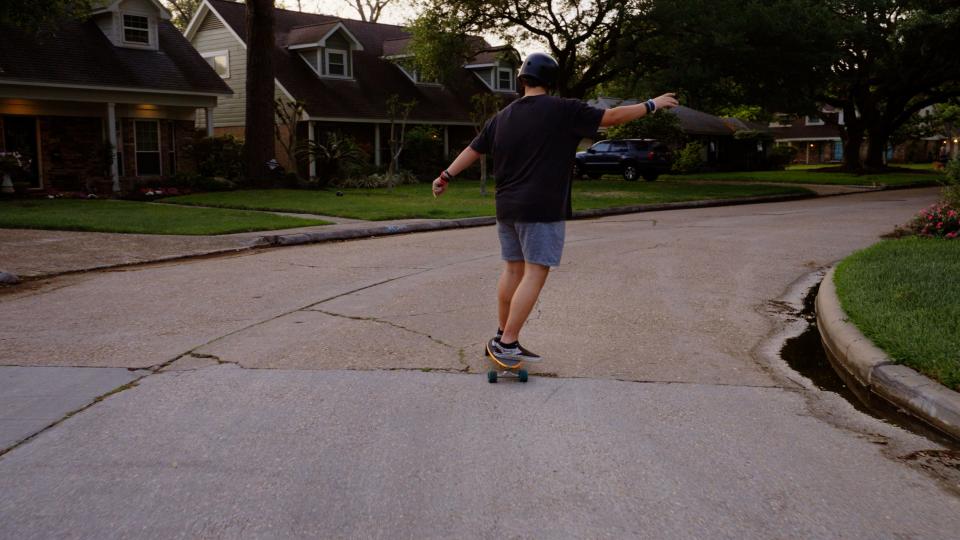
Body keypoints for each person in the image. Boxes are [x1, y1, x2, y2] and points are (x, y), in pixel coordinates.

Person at [432, 52, 679, 364]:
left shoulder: (502, 117)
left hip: (506, 206)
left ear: (522, 80)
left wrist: (445, 176)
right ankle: (508, 342)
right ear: (551, 82)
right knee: (536, 270)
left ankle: (501, 334)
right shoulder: (564, 109)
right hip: (541, 206)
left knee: (512, 268)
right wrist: (651, 104)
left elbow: (474, 149)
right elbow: (612, 117)